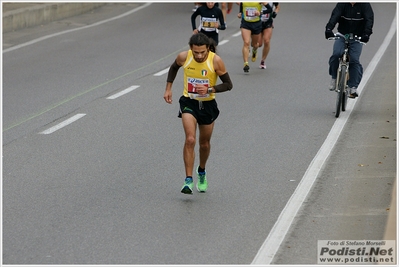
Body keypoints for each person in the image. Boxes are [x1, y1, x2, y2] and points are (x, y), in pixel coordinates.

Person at [163, 33, 233, 194]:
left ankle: (201, 171)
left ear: (208, 49)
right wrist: (168, 89)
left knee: (204, 144)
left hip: (208, 105)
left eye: (202, 52)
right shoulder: (184, 57)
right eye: (196, 52)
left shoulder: (215, 61)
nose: (199, 56)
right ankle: (188, 180)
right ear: (191, 49)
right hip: (189, 102)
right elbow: (174, 68)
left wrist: (210, 89)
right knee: (190, 139)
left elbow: (229, 84)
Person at [325, 2, 374, 98]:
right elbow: (335, 16)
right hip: (342, 34)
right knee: (336, 54)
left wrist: (366, 34)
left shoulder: (365, 5)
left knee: (354, 60)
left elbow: (369, 20)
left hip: (358, 37)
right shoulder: (342, 4)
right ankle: (334, 77)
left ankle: (353, 87)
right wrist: (329, 29)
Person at [238, 2, 267, 73]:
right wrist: (240, 13)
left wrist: (261, 12)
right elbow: (242, 7)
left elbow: (269, 9)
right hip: (245, 24)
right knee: (246, 42)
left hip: (256, 24)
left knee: (255, 44)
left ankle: (254, 50)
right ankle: (246, 64)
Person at [258, 2, 279, 69]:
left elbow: (277, 7)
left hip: (268, 22)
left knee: (267, 41)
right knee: (259, 44)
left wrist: (275, 12)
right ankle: (254, 50)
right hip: (257, 22)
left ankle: (263, 61)